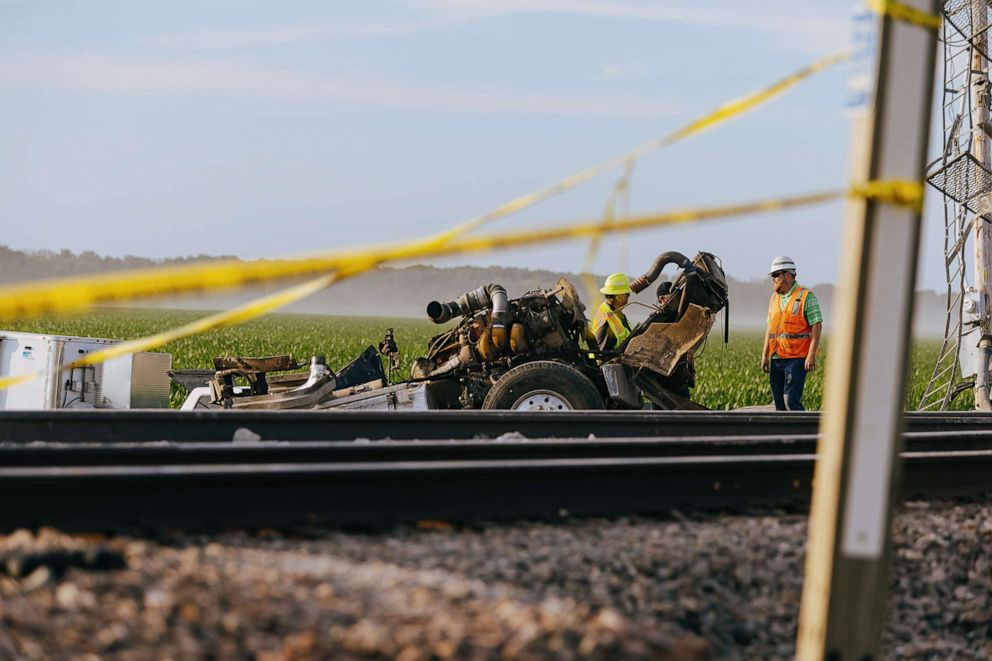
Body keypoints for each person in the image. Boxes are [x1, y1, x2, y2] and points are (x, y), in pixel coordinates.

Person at [761, 256, 822, 411]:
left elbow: (817, 325)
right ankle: (782, 435)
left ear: (787, 275)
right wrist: (765, 355)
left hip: (797, 358)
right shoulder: (774, 298)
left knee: (790, 401)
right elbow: (770, 328)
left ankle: (802, 432)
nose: (773, 279)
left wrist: (811, 355)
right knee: (779, 404)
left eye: (775, 275)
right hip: (777, 358)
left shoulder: (807, 297)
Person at [591, 273, 635, 352]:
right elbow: (602, 355)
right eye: (627, 294)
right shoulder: (607, 320)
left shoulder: (616, 313)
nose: (628, 297)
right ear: (618, 296)